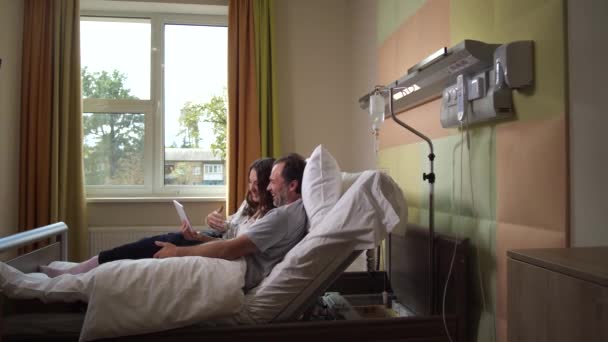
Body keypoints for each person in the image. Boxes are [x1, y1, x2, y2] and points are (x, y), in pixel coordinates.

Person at [40, 157, 277, 278]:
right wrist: (215, 222)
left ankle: (85, 269)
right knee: (157, 243)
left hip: (220, 248)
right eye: (250, 181)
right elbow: (230, 227)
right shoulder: (250, 203)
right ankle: (87, 268)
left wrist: (204, 237)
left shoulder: (272, 217)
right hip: (216, 239)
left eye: (258, 183)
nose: (253, 188)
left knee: (157, 244)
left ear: (270, 184)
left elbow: (233, 244)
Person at [153, 153, 308, 290]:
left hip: (235, 272)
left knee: (162, 265)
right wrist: (199, 237)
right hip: (234, 264)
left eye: (273, 182)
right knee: (164, 247)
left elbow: (230, 248)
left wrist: (177, 252)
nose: (268, 187)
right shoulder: (293, 213)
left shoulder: (281, 217)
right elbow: (232, 242)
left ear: (293, 185)